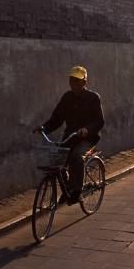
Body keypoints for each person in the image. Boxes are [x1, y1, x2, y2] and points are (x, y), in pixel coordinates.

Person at [33, 65, 104, 205]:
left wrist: (87, 130)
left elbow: (99, 121)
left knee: (76, 156)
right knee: (58, 160)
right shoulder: (67, 97)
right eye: (71, 80)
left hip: (88, 138)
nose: (73, 84)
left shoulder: (93, 97)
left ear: (84, 82)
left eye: (77, 80)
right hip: (70, 137)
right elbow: (56, 119)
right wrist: (44, 128)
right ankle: (67, 189)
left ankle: (76, 191)